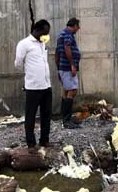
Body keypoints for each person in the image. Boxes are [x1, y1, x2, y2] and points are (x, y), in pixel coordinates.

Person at [15, 20, 52, 148]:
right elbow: (18, 63)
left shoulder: (42, 44)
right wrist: (30, 74)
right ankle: (31, 143)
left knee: (46, 115)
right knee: (31, 116)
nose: (46, 35)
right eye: (44, 33)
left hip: (46, 85)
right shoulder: (24, 44)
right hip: (33, 87)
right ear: (37, 30)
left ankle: (44, 140)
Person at [55, 17, 82, 129]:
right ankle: (66, 120)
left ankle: (67, 118)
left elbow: (57, 52)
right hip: (67, 67)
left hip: (63, 67)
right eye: (78, 26)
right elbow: (67, 47)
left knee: (67, 91)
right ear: (74, 25)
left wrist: (58, 69)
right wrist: (72, 64)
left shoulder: (62, 34)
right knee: (72, 90)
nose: (78, 29)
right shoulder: (67, 34)